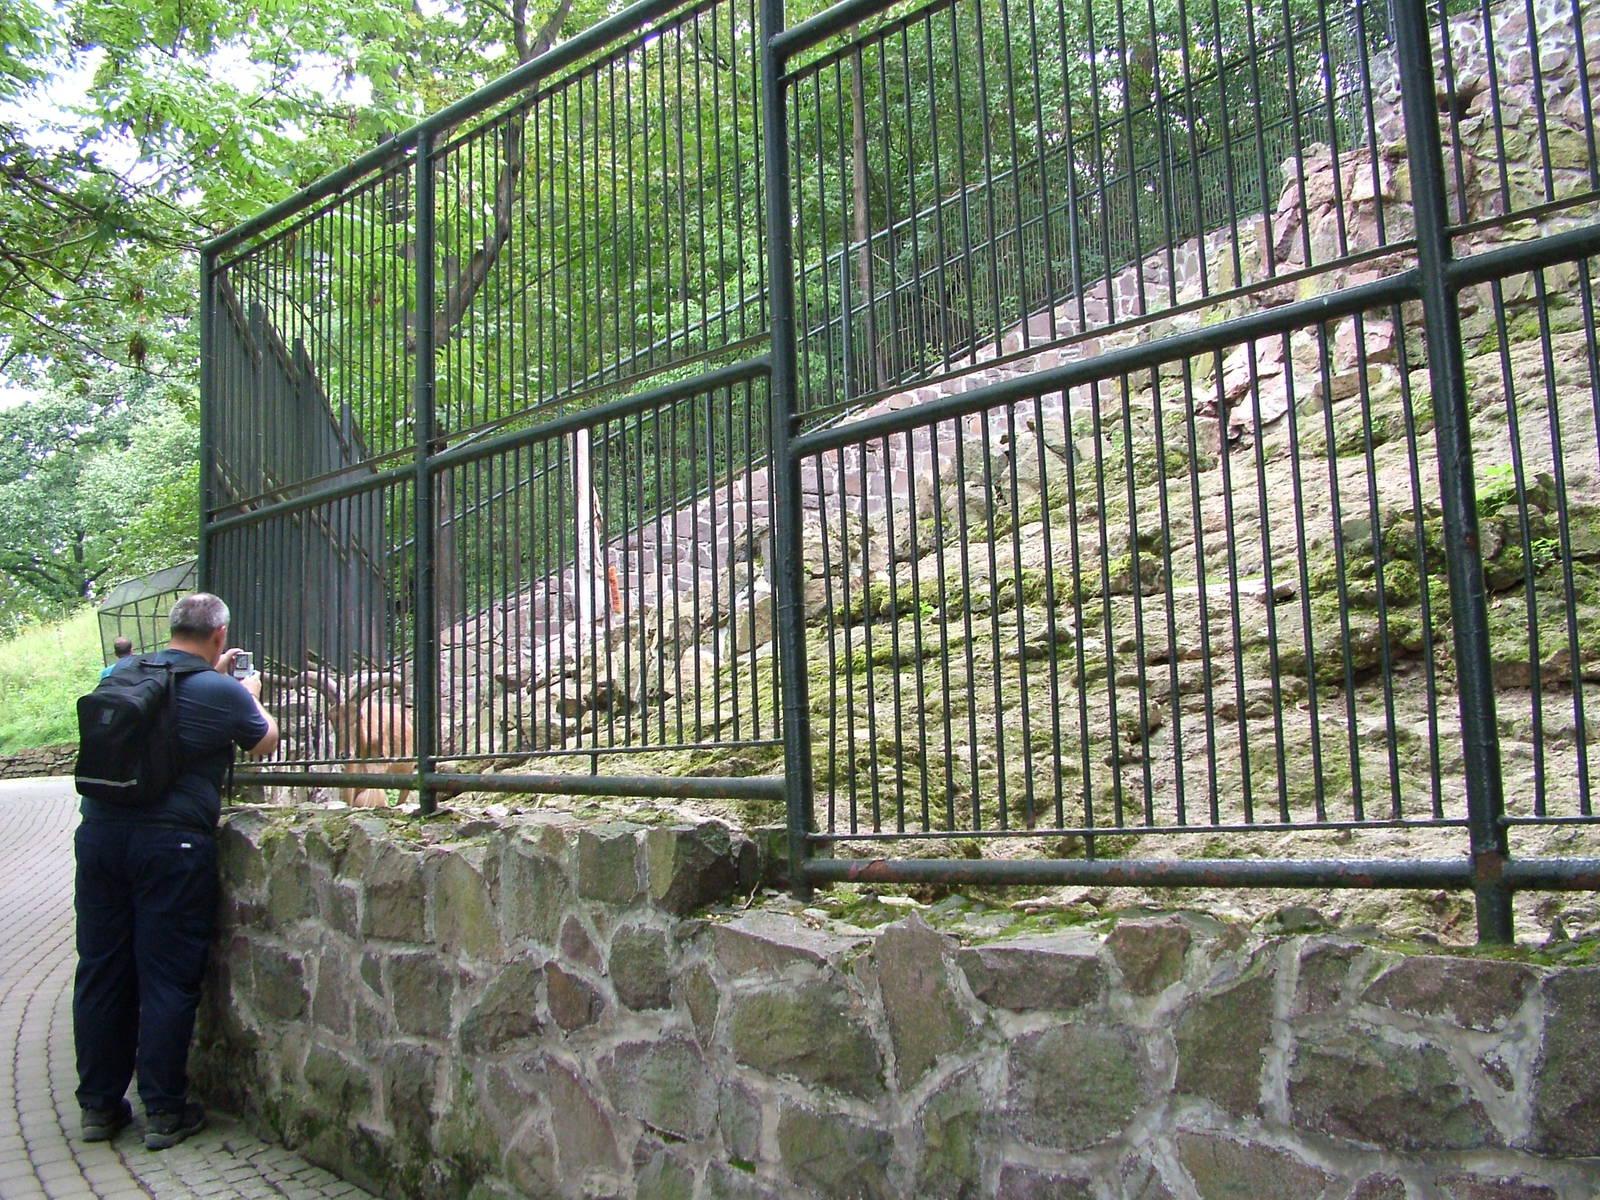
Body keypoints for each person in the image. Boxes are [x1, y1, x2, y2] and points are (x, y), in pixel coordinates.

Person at [73, 593, 279, 1150]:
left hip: (98, 837)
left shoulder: (121, 672)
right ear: (219, 636)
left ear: (171, 630)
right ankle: (164, 1110)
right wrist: (250, 695)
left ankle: (98, 1107)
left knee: (101, 968)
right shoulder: (218, 689)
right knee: (165, 974)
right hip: (172, 844)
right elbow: (264, 742)